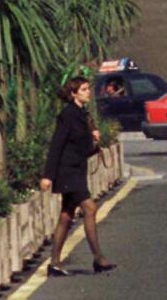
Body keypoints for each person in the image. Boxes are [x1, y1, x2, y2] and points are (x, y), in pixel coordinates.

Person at [40, 77, 115, 276]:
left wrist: (94, 141)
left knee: (66, 216)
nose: (88, 92)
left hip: (76, 170)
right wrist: (48, 175)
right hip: (67, 172)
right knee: (90, 208)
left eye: (88, 89)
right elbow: (57, 145)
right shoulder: (68, 115)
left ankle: (54, 263)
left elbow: (82, 147)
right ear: (74, 94)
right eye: (83, 89)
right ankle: (98, 258)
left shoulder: (82, 114)